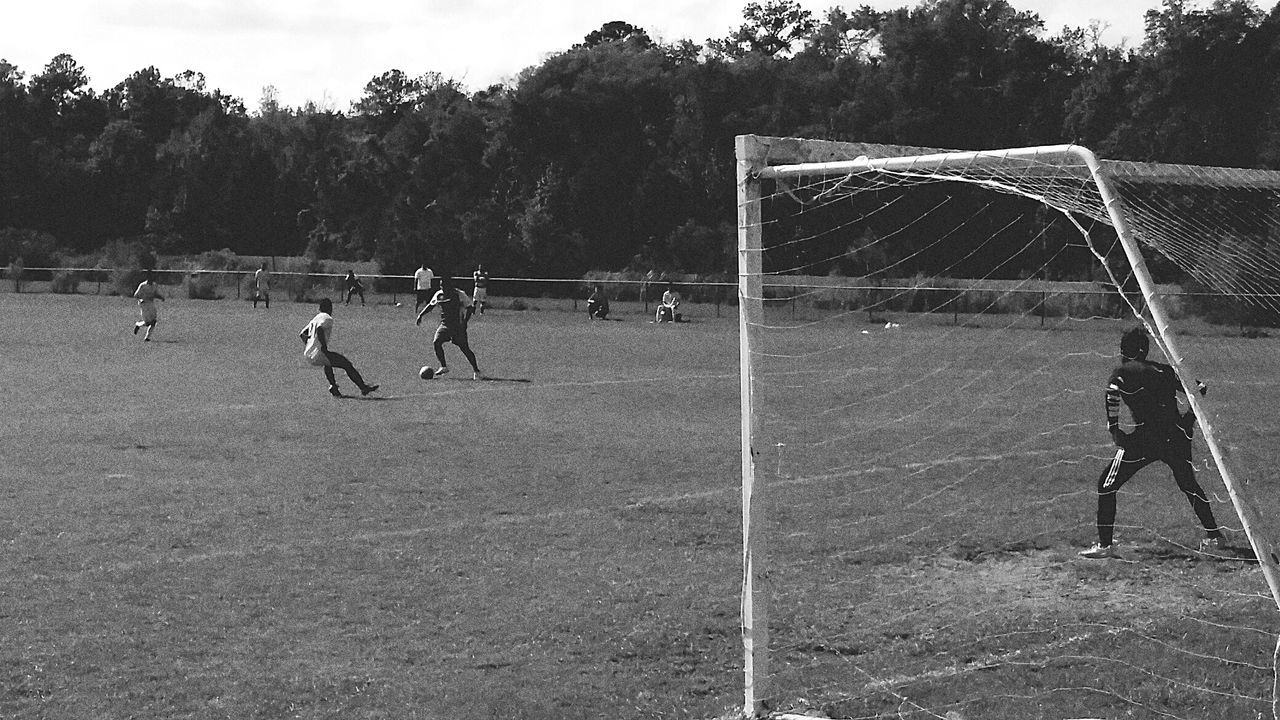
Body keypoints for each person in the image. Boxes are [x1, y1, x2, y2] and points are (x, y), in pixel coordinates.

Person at [1079, 326, 1223, 559]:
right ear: (1145, 350)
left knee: (1107, 485)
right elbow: (1200, 388)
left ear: (1123, 350)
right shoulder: (1165, 371)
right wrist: (1188, 420)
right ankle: (1215, 536)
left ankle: (1105, 545)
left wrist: (1114, 430)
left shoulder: (1122, 372)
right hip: (1176, 436)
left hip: (1144, 439)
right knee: (1188, 484)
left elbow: (1112, 394)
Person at [299, 298, 378, 398]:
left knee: (327, 363)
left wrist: (310, 345)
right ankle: (363, 388)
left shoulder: (315, 318)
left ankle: (334, 387)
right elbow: (319, 329)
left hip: (308, 354)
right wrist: (323, 346)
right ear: (329, 308)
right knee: (346, 364)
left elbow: (302, 334)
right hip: (318, 352)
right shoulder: (327, 318)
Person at [415, 275, 484, 380]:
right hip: (445, 324)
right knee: (436, 342)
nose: (442, 287)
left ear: (450, 285)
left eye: (444, 285)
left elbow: (470, 308)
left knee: (465, 348)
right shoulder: (439, 294)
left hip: (457, 326)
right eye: (441, 285)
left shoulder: (459, 294)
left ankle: (476, 371)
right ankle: (444, 366)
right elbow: (431, 305)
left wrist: (465, 322)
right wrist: (421, 315)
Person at [132, 269, 165, 341]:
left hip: (151, 304)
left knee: (153, 322)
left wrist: (161, 297)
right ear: (147, 277)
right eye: (150, 276)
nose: (151, 277)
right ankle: (138, 325)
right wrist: (141, 299)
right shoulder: (143, 285)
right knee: (148, 323)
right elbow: (136, 295)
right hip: (144, 304)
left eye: (152, 276)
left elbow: (155, 294)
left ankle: (147, 337)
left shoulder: (154, 285)